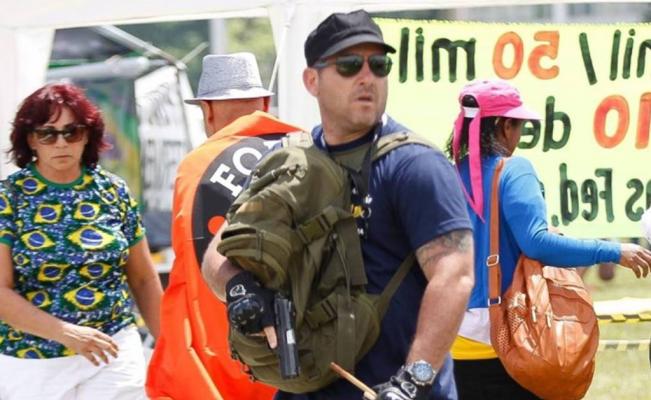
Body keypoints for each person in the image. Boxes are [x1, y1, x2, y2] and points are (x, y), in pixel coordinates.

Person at [202, 10, 474, 400]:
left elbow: (455, 274)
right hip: (306, 386)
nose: (367, 77)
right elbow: (217, 252)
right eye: (349, 65)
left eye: (378, 65)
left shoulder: (413, 165)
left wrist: (413, 380)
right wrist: (240, 287)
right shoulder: (288, 161)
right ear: (312, 81)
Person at [446, 79, 651, 399]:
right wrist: (613, 251)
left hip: (455, 341)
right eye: (520, 127)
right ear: (503, 126)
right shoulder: (514, 170)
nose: (521, 136)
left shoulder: (444, 173)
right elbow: (536, 243)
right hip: (508, 339)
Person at [146, 53, 301, 400]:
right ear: (264, 103)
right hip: (309, 354)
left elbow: (187, 274)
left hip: (224, 364)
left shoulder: (196, 166)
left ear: (208, 110)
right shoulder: (308, 148)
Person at [0, 83, 162, 399]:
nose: (60, 142)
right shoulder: (8, 198)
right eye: (48, 133)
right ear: (31, 139)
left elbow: (143, 280)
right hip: (32, 363)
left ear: (87, 135)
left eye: (71, 132)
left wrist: (171, 349)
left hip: (114, 353)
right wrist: (67, 334)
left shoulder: (114, 192)